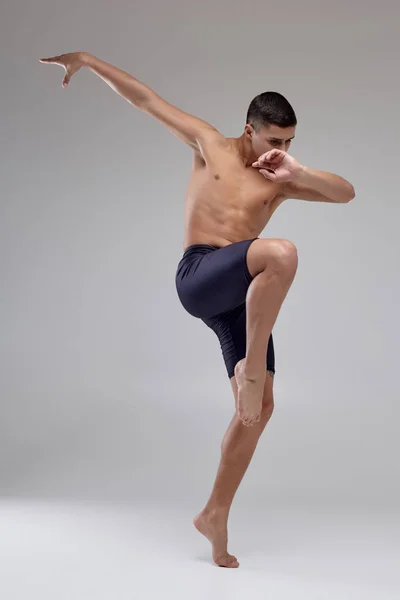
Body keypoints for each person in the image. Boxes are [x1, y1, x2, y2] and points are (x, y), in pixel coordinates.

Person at [39, 52, 355, 568]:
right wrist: (89, 61)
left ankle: (214, 513)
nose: (281, 150)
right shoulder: (210, 144)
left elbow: (347, 193)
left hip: (241, 297)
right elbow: (146, 100)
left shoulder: (281, 179)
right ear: (248, 129)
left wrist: (296, 169)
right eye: (275, 141)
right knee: (282, 252)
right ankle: (251, 367)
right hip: (201, 276)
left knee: (257, 412)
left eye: (290, 142)